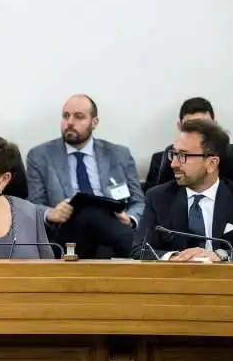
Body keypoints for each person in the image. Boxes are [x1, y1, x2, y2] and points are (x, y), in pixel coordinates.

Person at [132, 119, 233, 262]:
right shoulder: (158, 198)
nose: (173, 164)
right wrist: (175, 257)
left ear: (211, 163)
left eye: (183, 155)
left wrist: (220, 255)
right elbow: (139, 250)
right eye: (174, 154)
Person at [26, 94, 144, 259]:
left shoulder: (119, 154)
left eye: (79, 117)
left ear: (94, 122)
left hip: (112, 227)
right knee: (87, 209)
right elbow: (32, 205)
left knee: (96, 212)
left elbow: (139, 202)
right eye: (66, 116)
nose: (70, 122)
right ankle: (144, 255)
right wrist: (51, 213)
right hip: (67, 231)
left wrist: (130, 219)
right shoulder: (40, 156)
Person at [144, 97, 233, 191]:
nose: (198, 133)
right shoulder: (167, 164)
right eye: (191, 126)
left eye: (205, 126)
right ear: (180, 126)